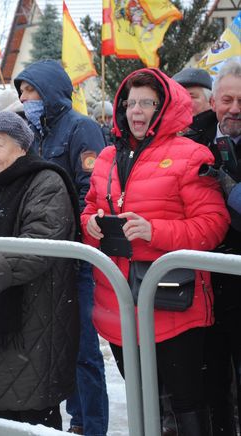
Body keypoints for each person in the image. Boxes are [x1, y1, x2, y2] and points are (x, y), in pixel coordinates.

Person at [82, 68, 230, 436]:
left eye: (147, 102)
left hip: (174, 303)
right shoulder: (105, 157)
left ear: (165, 107)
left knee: (185, 404)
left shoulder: (191, 154)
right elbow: (87, 208)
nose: (137, 110)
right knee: (142, 401)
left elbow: (213, 225)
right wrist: (91, 224)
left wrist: (154, 232)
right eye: (131, 102)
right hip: (116, 303)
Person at [0, 111, 80, 430]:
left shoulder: (46, 181)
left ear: (22, 147)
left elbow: (41, 242)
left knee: (31, 416)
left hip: (34, 317)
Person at [14, 59, 108, 435]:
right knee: (59, 348)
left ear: (51, 90)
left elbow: (93, 188)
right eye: (21, 92)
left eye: (30, 90)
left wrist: (70, 237)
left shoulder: (80, 127)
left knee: (84, 352)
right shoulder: (31, 132)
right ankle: (75, 422)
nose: (24, 98)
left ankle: (92, 425)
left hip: (76, 257)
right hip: (46, 258)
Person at [201, 60, 241, 436]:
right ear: (213, 101)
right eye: (227, 99)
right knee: (209, 381)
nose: (235, 108)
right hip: (200, 280)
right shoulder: (189, 138)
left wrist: (228, 187)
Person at [172, 67, 217, 146]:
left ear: (210, 101)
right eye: (178, 97)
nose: (184, 102)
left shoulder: (221, 131)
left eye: (191, 96)